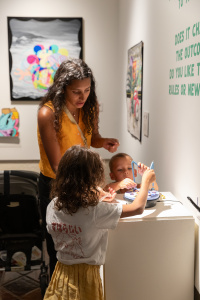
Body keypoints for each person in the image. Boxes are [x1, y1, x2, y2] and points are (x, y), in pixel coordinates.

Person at [37, 58, 119, 277]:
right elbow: (57, 166)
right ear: (62, 89)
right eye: (76, 92)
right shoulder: (48, 113)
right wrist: (93, 191)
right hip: (56, 186)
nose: (83, 97)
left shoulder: (89, 107)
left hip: (83, 186)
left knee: (85, 246)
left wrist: (104, 142)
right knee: (61, 252)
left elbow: (90, 138)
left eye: (87, 89)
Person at [43, 145, 156, 300]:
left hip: (61, 272)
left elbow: (78, 210)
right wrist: (146, 182)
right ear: (95, 176)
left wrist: (101, 197)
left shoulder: (53, 204)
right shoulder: (95, 211)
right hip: (86, 277)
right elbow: (137, 208)